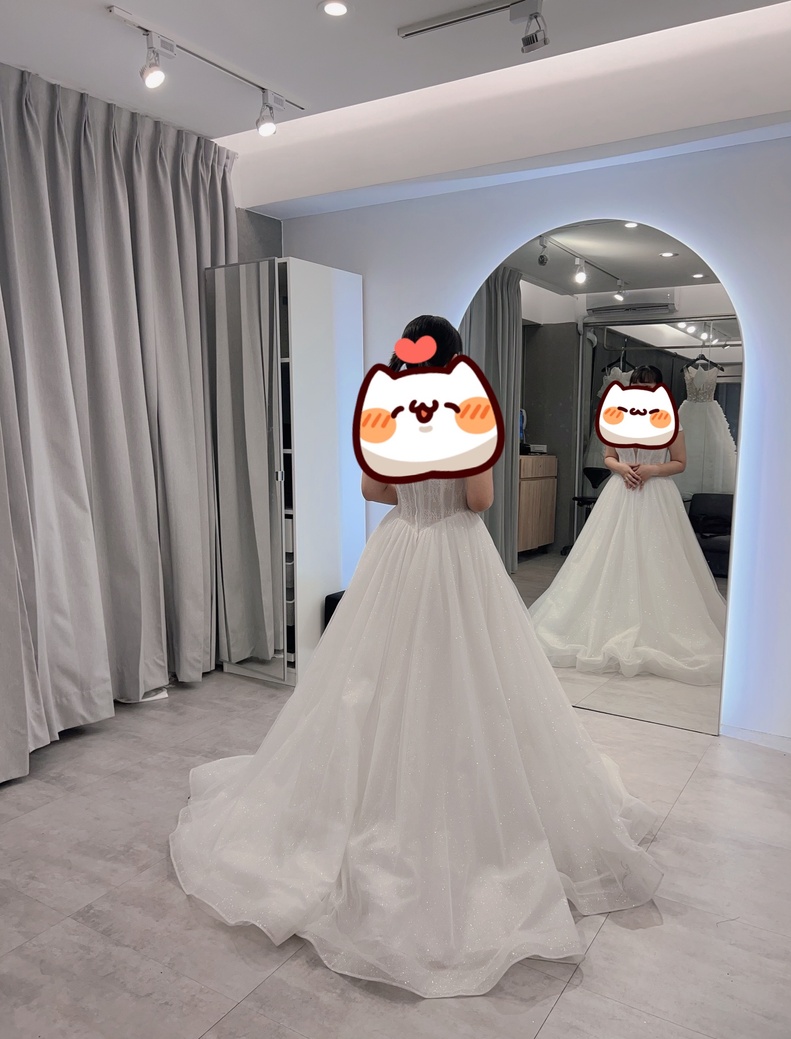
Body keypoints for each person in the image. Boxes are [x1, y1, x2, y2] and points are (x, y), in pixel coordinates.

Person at [169, 318, 663, 1000]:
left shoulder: (394, 410)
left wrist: (411, 482)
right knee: (471, 682)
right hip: (455, 554)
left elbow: (373, 491)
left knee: (374, 681)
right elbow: (480, 500)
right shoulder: (465, 409)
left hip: (400, 549)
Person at [530, 364, 726, 686]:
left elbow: (680, 462)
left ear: (659, 388)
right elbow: (608, 456)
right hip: (620, 493)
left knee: (658, 560)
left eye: (649, 386)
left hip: (656, 495)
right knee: (606, 559)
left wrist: (652, 470)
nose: (643, 391)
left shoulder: (670, 420)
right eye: (638, 385)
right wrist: (621, 469)